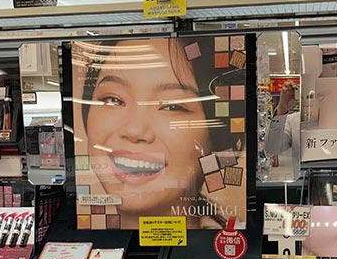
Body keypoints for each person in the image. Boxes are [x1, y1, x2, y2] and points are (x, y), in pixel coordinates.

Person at [76, 38, 243, 229]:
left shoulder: (231, 242)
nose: (135, 130)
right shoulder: (80, 241)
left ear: (216, 135)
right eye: (113, 100)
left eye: (172, 107)